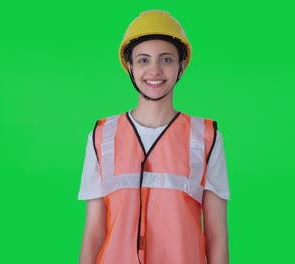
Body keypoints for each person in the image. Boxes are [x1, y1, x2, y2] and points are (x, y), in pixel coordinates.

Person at [78, 10, 230, 264]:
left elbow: (217, 236)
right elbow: (93, 232)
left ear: (181, 66)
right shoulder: (102, 136)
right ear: (129, 66)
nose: (155, 70)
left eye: (166, 59)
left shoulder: (206, 137)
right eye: (143, 60)